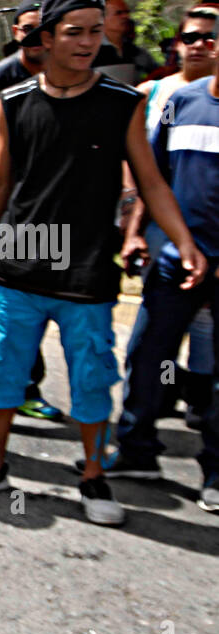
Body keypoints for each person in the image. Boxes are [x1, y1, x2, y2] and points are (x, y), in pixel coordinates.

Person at [0, 0, 205, 526]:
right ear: (46, 38)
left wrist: (183, 240)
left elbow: (151, 183)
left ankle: (93, 476)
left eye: (97, 31)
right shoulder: (12, 101)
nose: (88, 42)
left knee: (91, 378)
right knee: (1, 369)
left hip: (87, 270)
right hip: (17, 263)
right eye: (75, 32)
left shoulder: (123, 104)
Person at [110, 42, 219, 511]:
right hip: (176, 258)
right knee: (149, 353)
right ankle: (137, 451)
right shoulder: (183, 102)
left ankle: (215, 471)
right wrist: (134, 233)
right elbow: (151, 176)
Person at [0, 0, 64, 427]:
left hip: (57, 219)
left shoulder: (69, 78)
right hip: (9, 218)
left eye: (42, 28)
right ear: (16, 33)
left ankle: (29, 388)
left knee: (44, 308)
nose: (34, 37)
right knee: (1, 316)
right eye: (26, 28)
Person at [94, 0, 159, 85]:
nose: (126, 16)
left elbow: (157, 73)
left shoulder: (135, 51)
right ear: (102, 19)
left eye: (127, 12)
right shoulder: (91, 50)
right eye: (119, 13)